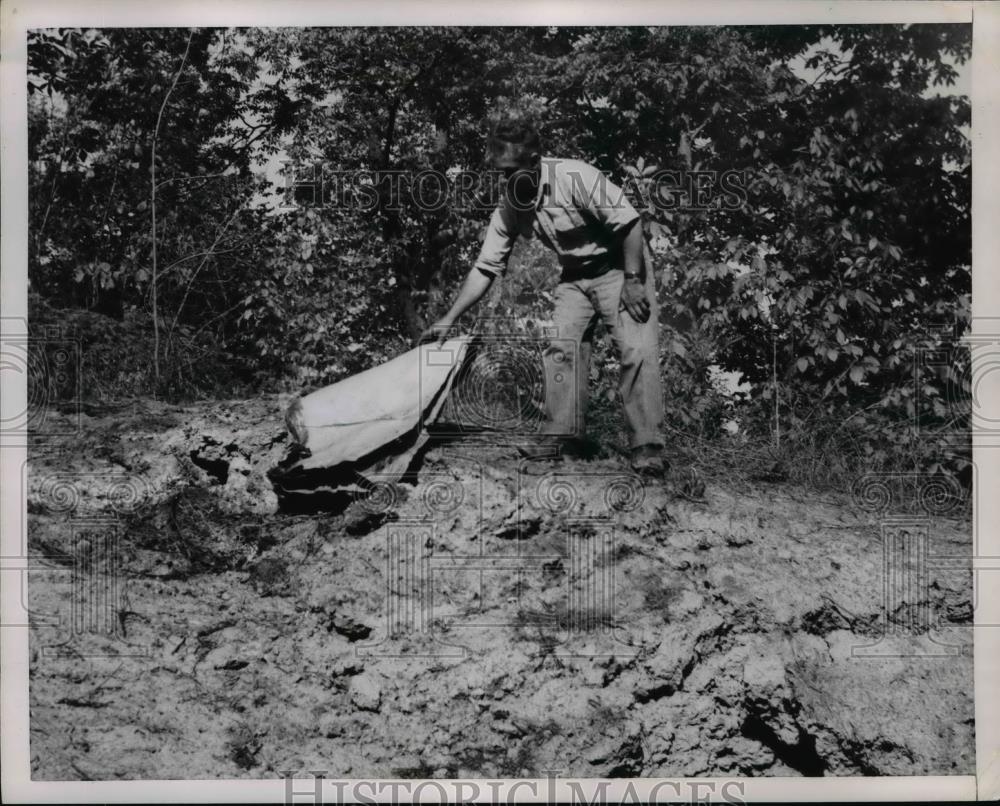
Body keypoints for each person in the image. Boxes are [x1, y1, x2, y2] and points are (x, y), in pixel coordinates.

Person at [419, 117, 666, 475]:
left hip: (619, 265)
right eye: (501, 173)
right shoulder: (510, 203)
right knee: (560, 350)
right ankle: (563, 439)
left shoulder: (575, 177)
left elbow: (629, 222)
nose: (507, 180)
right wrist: (449, 318)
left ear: (535, 162)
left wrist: (632, 280)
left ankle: (647, 447)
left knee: (636, 348)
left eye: (512, 170)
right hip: (575, 275)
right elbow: (486, 266)